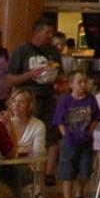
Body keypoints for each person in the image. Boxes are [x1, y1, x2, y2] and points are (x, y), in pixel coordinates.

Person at [7, 18, 62, 184]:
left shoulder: (53, 51)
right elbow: (9, 79)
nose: (50, 36)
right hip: (30, 97)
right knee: (30, 134)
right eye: (48, 32)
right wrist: (30, 75)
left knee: (52, 136)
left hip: (49, 97)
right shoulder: (22, 51)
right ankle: (27, 173)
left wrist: (60, 83)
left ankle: (49, 174)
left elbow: (60, 74)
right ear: (37, 33)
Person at [53, 70, 99, 198]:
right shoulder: (65, 101)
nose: (82, 85)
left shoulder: (91, 99)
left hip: (85, 140)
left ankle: (80, 191)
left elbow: (96, 117)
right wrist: (65, 135)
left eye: (85, 82)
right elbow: (59, 121)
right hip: (70, 141)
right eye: (79, 82)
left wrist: (90, 131)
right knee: (68, 172)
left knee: (85, 170)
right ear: (71, 84)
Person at [0, 88, 46, 198]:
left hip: (28, 168)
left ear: (29, 105)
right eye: (14, 101)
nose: (16, 105)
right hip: (6, 166)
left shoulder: (38, 126)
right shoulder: (3, 123)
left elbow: (38, 154)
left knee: (5, 177)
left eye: (21, 102)